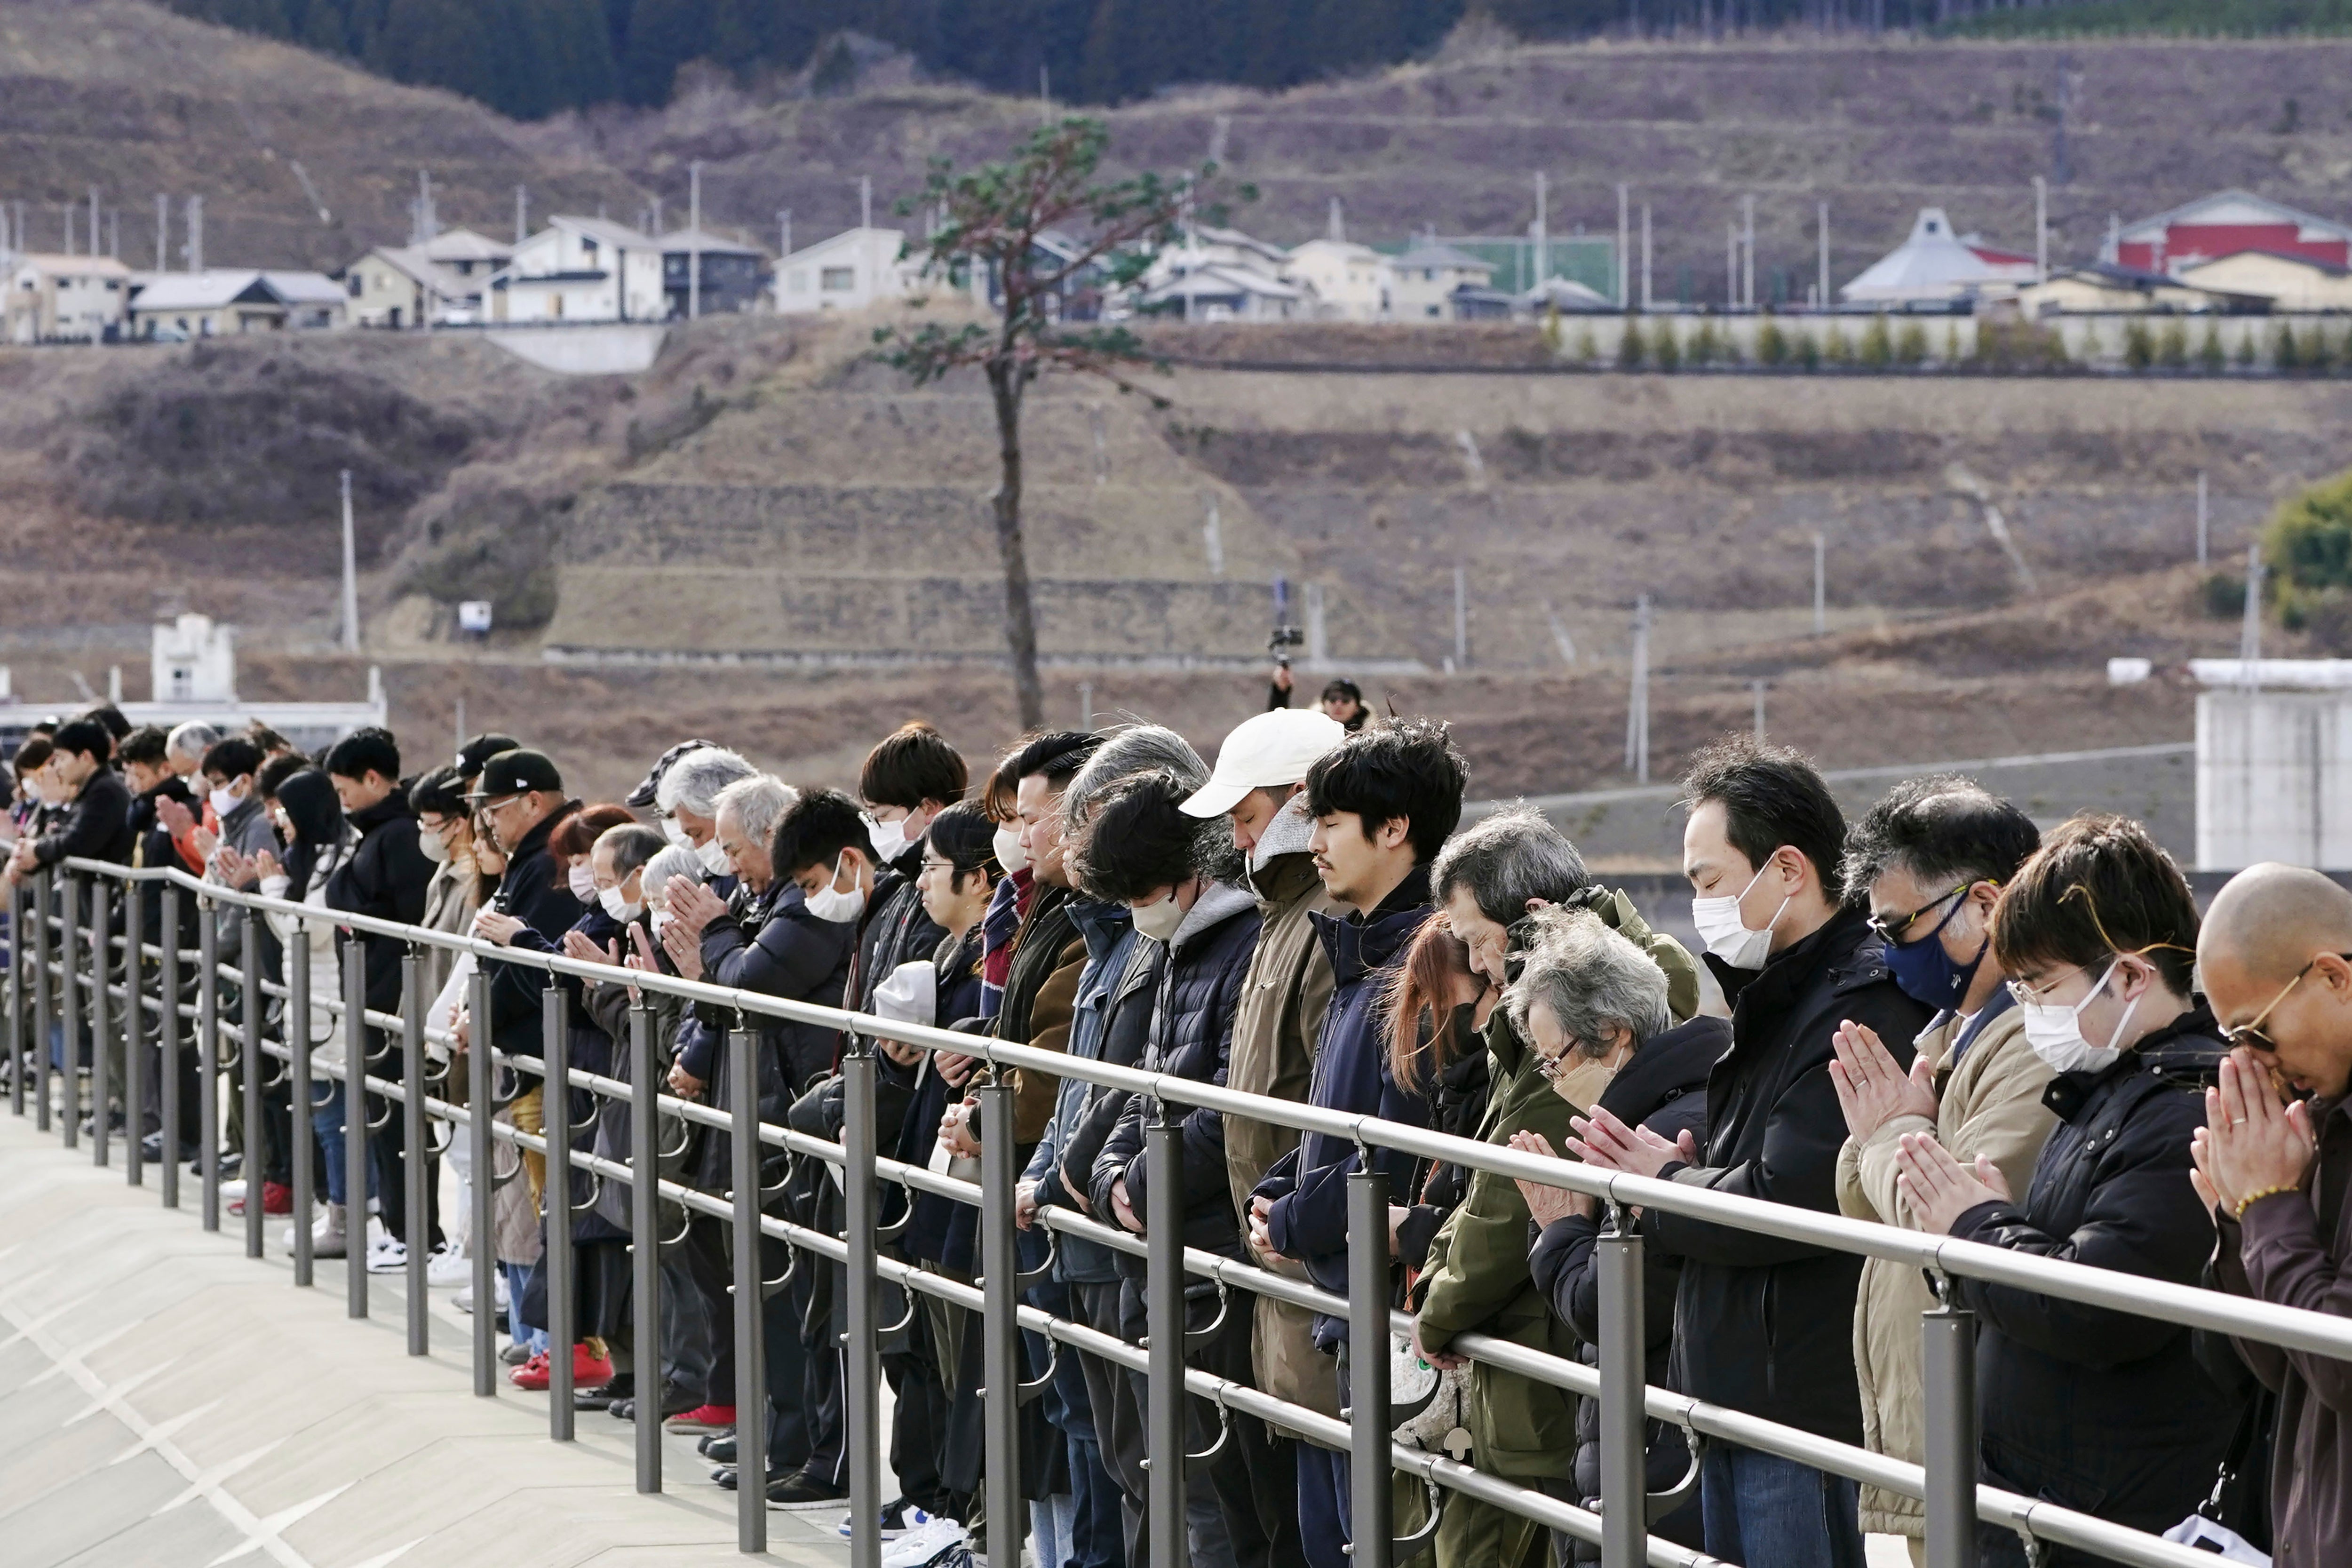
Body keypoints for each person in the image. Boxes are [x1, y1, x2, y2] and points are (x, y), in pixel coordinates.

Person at [1571, 737, 1929, 1568]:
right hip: (1744, 1391)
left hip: (1797, 1405)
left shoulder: (1855, 1003)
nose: (1700, 905)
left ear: (1789, 869)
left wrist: (1666, 1181)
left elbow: (1791, 1197)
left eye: (1709, 881)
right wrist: (1685, 1169)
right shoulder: (1780, 993)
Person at [1891, 814, 2241, 1566]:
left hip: (2103, 1513)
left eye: (2044, 986)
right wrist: (1992, 1219)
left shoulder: (2183, 1111)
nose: (2032, 1010)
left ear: (2132, 976)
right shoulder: (2111, 1087)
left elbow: (2099, 1307)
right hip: (2045, 1498)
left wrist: (1976, 1227)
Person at [1248, 716, 1464, 1568]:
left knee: (1367, 1538)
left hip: (1388, 1310)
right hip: (1345, 1301)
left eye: (1332, 823)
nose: (1315, 844)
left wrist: (1291, 1219)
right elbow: (1333, 1122)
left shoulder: (1421, 967)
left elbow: (1392, 1151)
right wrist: (1280, 1189)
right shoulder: (1363, 951)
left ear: (1396, 828)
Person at [1080, 767, 1303, 1568]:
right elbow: (1145, 1085)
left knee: (1225, 1496)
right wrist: (1112, 1174)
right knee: (1169, 1474)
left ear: (1189, 871)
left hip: (1213, 1253)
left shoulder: (1243, 942)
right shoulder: (1176, 944)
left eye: (1143, 892)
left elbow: (1232, 1104)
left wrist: (1138, 1186)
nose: (1138, 912)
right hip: (1163, 1247)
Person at [1829, 778, 2050, 1562]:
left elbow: (1943, 1210)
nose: (1892, 951)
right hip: (1936, 1433)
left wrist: (1890, 1133)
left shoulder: (2036, 1040)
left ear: (1985, 904)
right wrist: (1892, 1136)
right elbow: (1864, 1195)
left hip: (1982, 1440)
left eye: (1901, 926)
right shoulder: (1950, 1031)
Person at [667, 772, 857, 1504]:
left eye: (733, 848)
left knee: (800, 1299)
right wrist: (709, 963)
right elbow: (728, 996)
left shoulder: (807, 904)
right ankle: (782, 1435)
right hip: (766, 1111)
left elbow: (747, 985)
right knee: (771, 1293)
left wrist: (714, 940)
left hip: (793, 1116)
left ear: (772, 837)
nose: (728, 865)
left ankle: (813, 1448)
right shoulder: (770, 901)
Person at [1511, 911, 1722, 1565]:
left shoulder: (1652, 1142)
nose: (1553, 1080)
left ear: (1614, 1033)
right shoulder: (1685, 1106)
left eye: (1556, 1059)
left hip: (1658, 1451)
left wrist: (1560, 1230)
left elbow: (1613, 1308)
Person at [1180, 708, 1351, 1455]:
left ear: (1301, 801)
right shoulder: (1281, 913)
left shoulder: (1325, 919)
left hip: (1309, 1263)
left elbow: (1330, 1104)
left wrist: (1292, 1219)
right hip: (1278, 1262)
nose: (1240, 839)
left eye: (1248, 817)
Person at [2196, 863, 2352, 1568]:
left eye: (2256, 1031)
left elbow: (2340, 1363)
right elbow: (2279, 1367)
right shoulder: (2321, 1118)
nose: (2254, 1062)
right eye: (2233, 1041)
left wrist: (2268, 1207)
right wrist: (2237, 1224)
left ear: (2333, 977)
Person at [322, 727, 437, 1269]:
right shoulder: (376, 832)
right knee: (383, 1116)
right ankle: (401, 1227)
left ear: (372, 779)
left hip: (392, 998)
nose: (342, 802)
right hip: (374, 992)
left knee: (398, 1118)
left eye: (345, 790)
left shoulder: (398, 836)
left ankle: (417, 1232)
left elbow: (409, 921)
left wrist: (354, 911)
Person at [2, 717, 132, 886]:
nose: (57, 767)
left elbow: (77, 841)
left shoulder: (106, 791)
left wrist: (36, 850)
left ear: (85, 757)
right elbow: (63, 832)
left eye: (62, 759)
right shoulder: (92, 788)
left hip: (100, 893)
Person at [1269, 669, 1369, 733]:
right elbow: (1278, 728)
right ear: (1324, 704)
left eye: (1345, 700)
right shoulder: (1311, 732)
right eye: (1333, 699)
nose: (1338, 704)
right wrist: (1281, 692)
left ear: (1357, 707)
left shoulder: (1369, 741)